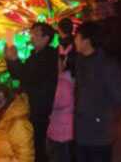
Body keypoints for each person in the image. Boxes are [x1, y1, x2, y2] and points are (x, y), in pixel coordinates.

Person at [74, 22, 121, 162]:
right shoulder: (79, 61)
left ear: (86, 41)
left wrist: (103, 119)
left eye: (77, 37)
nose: (75, 41)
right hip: (81, 132)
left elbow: (120, 99)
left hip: (100, 135)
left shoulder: (107, 65)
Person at [6, 22, 59, 162]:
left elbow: (29, 77)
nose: (31, 37)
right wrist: (11, 60)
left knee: (36, 144)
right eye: (31, 33)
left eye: (35, 34)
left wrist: (14, 60)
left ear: (46, 38)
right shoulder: (35, 55)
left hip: (39, 107)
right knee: (33, 143)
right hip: (32, 105)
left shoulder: (48, 56)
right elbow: (18, 75)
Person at [47, 18, 76, 162]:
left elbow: (55, 104)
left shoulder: (59, 47)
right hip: (72, 80)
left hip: (61, 130)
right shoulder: (74, 44)